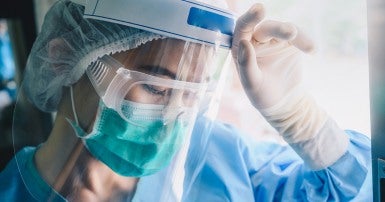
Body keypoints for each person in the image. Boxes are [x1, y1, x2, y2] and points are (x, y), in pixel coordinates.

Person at [0, 0, 372, 201]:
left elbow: (351, 189)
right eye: (156, 89)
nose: (174, 117)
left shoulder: (220, 157)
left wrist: (298, 117)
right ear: (65, 59)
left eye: (193, 94)